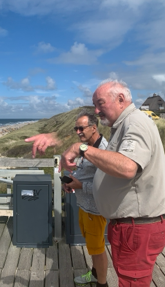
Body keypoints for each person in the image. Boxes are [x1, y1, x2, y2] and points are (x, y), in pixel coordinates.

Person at [27, 80, 165, 287]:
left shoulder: (135, 123)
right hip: (128, 224)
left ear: (120, 99)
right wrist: (57, 141)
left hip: (137, 226)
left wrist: (81, 149)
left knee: (132, 280)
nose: (97, 109)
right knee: (126, 276)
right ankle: (97, 277)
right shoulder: (121, 127)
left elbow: (127, 167)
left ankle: (101, 282)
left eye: (100, 103)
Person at [60, 111, 110, 286]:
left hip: (95, 210)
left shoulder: (103, 150)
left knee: (97, 250)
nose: (77, 132)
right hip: (84, 206)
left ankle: (102, 283)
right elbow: (86, 173)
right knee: (92, 247)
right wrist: (71, 181)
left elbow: (107, 187)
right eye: (76, 128)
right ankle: (95, 274)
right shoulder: (87, 147)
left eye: (81, 128)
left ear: (93, 127)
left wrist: (81, 186)